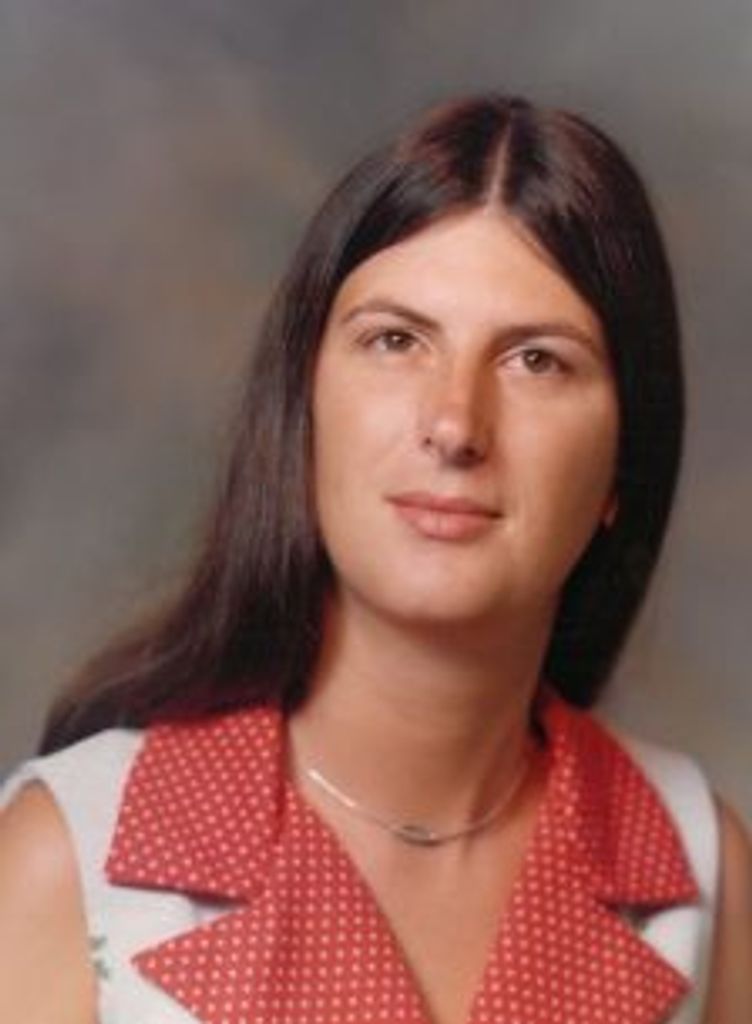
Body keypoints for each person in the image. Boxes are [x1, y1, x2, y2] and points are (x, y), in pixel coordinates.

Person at [0, 94, 749, 1024]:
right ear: (304, 408)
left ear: (621, 468)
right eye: (396, 341)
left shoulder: (702, 874)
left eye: (536, 361)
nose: (455, 424)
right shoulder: (67, 862)